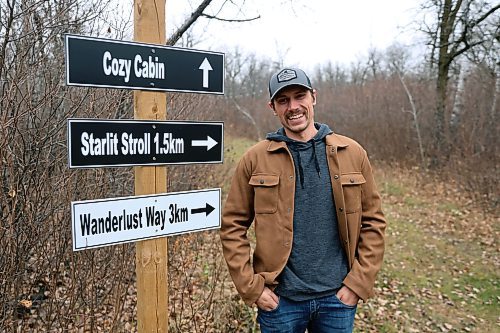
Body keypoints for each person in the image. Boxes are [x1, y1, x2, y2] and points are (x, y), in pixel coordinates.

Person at [220, 67, 386, 332]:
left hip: (337, 300)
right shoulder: (255, 159)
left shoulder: (352, 153)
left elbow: (373, 223)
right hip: (281, 302)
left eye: (300, 96)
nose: (293, 107)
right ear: (272, 106)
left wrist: (358, 283)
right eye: (283, 100)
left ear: (314, 97)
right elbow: (232, 226)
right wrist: (251, 287)